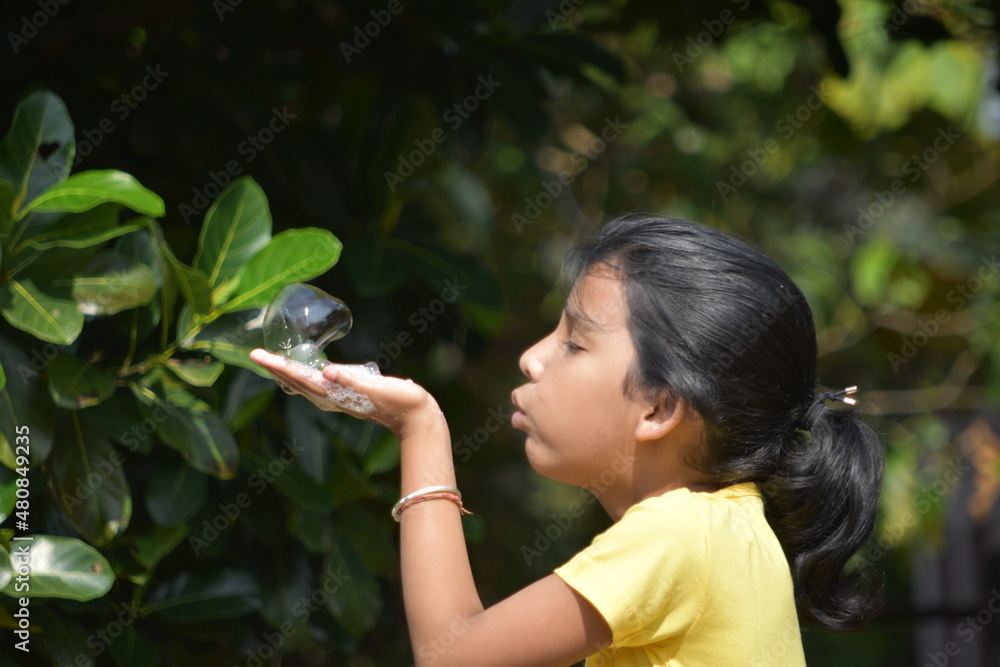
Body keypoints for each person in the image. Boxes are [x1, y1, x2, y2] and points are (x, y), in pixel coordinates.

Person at [249, 213, 885, 667]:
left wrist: (418, 429)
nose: (531, 358)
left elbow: (451, 657)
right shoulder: (731, 528)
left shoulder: (682, 535)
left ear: (660, 407)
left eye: (574, 343)